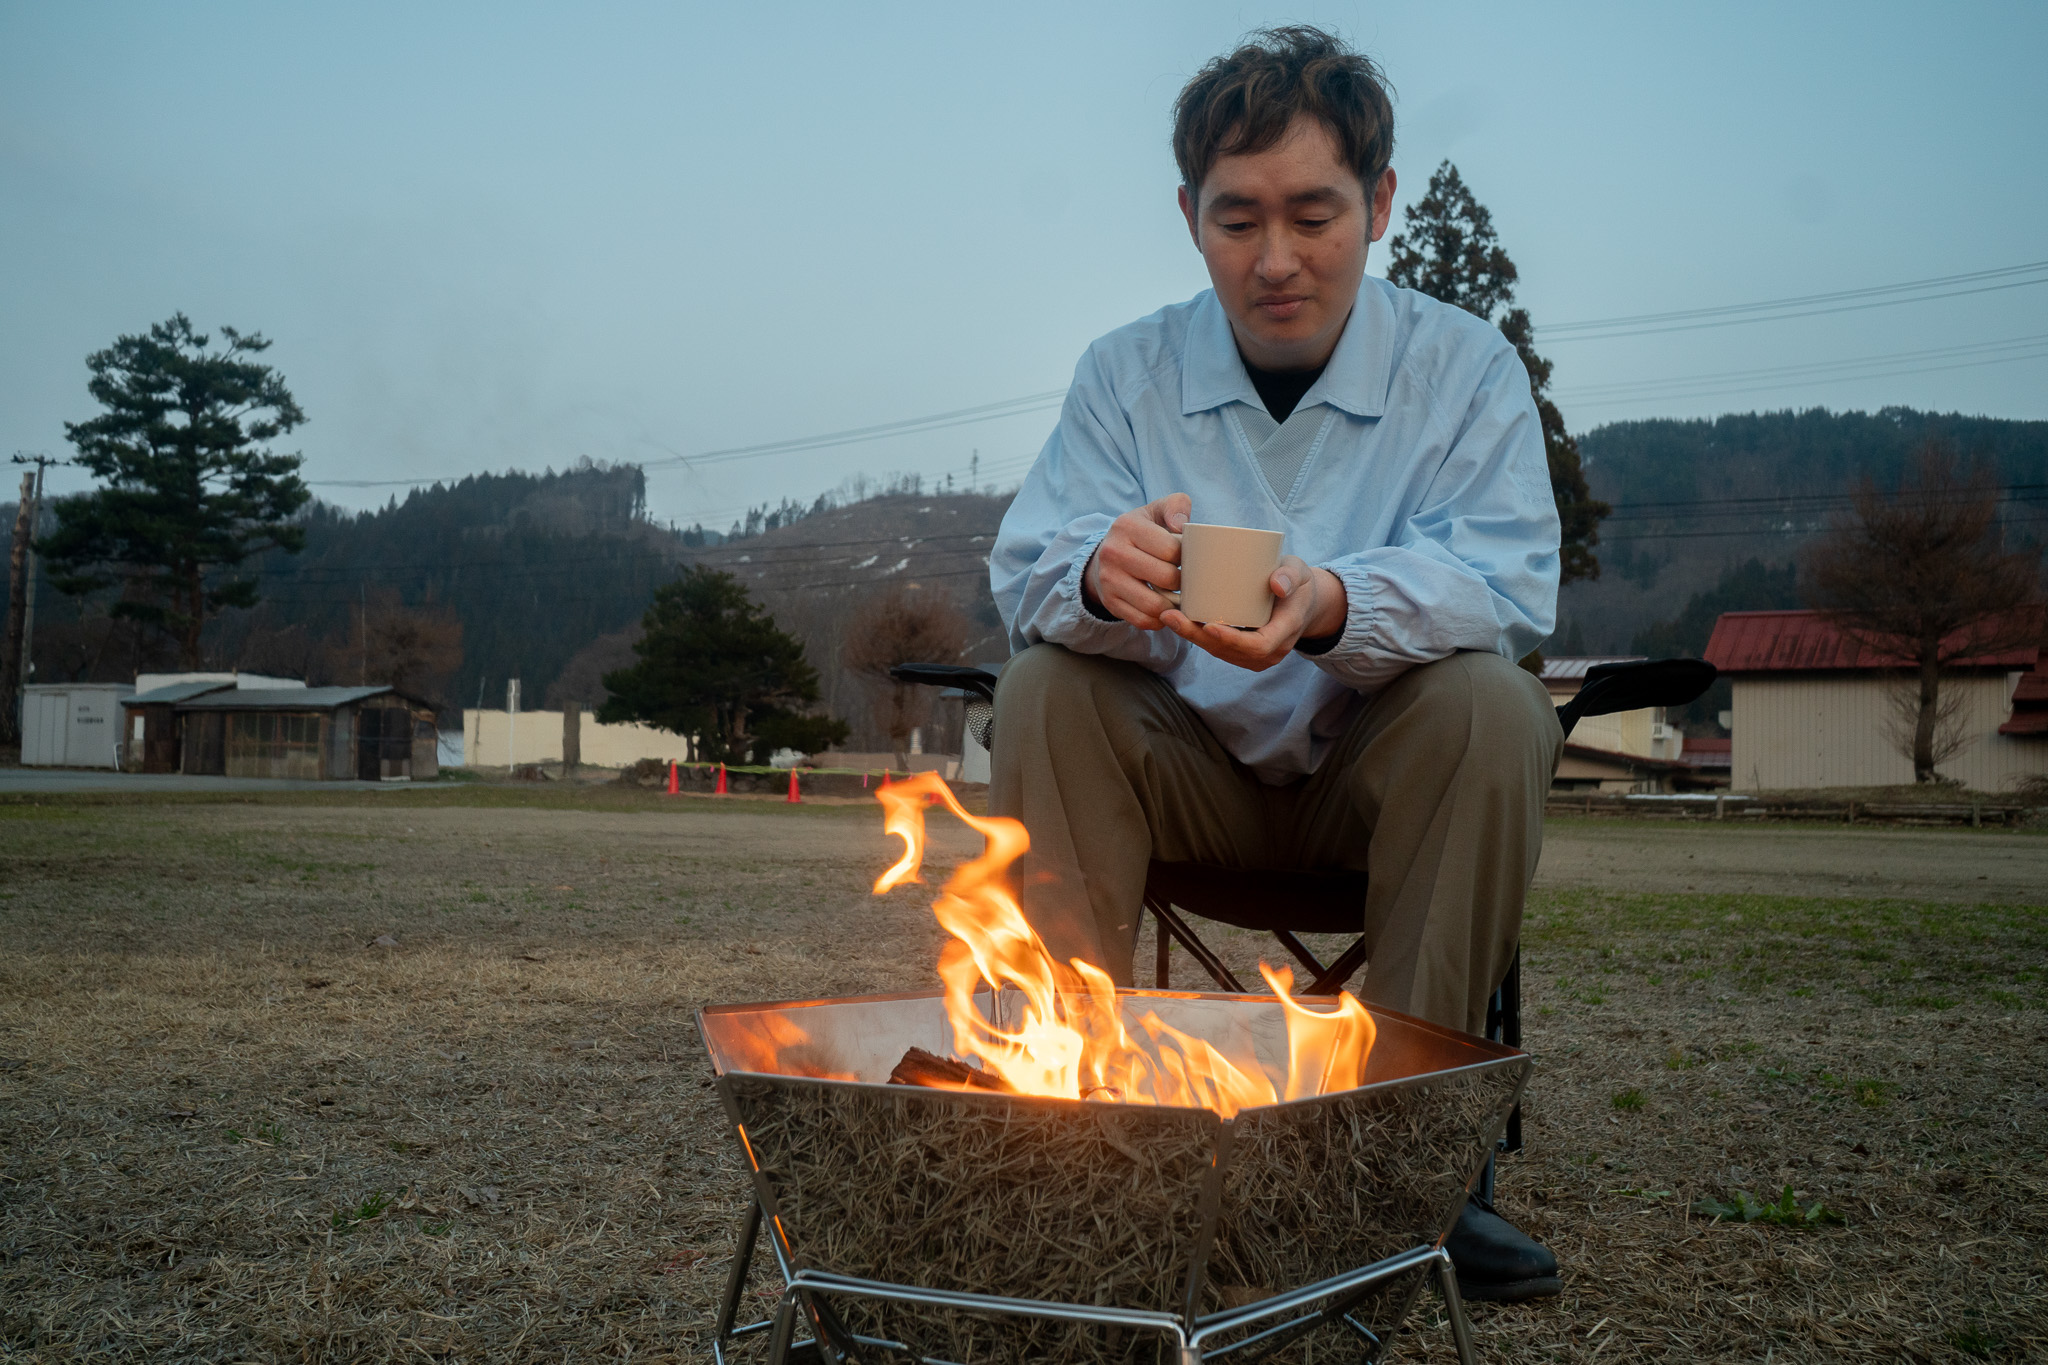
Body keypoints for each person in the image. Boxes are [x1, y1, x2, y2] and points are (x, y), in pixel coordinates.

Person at [987, 26, 1565, 1302]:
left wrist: (1328, 602)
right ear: (1188, 215)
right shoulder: (1125, 374)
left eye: (1314, 213)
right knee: (1044, 684)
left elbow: (1511, 586)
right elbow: (1024, 564)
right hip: (1181, 777)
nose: (1277, 258)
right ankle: (1068, 1135)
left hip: (1380, 782)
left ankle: (1405, 1171)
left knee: (1490, 701)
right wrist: (1095, 574)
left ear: (1381, 204)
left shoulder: (1461, 369)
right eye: (1236, 218)